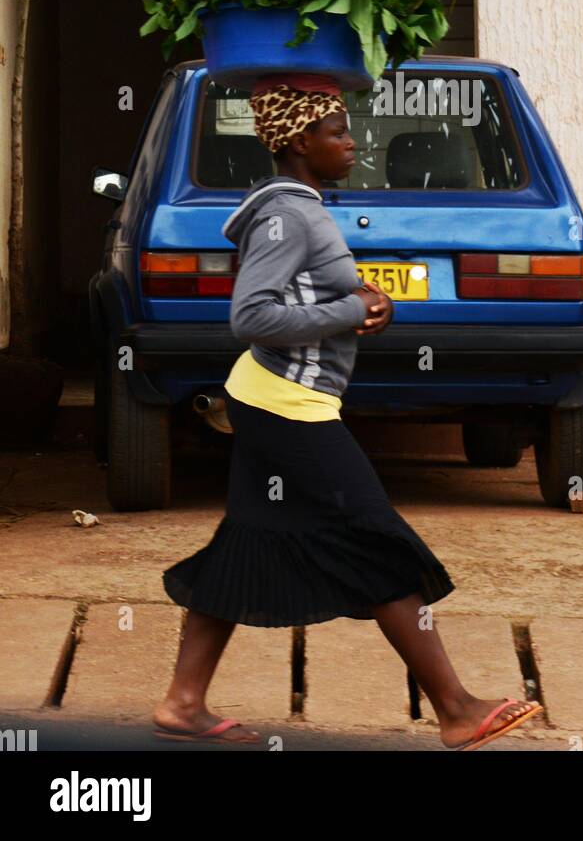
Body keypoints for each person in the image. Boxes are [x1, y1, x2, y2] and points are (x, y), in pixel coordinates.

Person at [153, 71, 542, 751]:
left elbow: (308, 296)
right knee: (377, 541)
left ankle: (184, 703)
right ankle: (453, 707)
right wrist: (350, 308)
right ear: (301, 140)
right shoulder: (287, 214)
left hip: (274, 400)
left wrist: (369, 303)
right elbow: (252, 315)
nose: (352, 142)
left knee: (246, 540)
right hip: (288, 408)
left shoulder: (300, 206)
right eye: (337, 132)